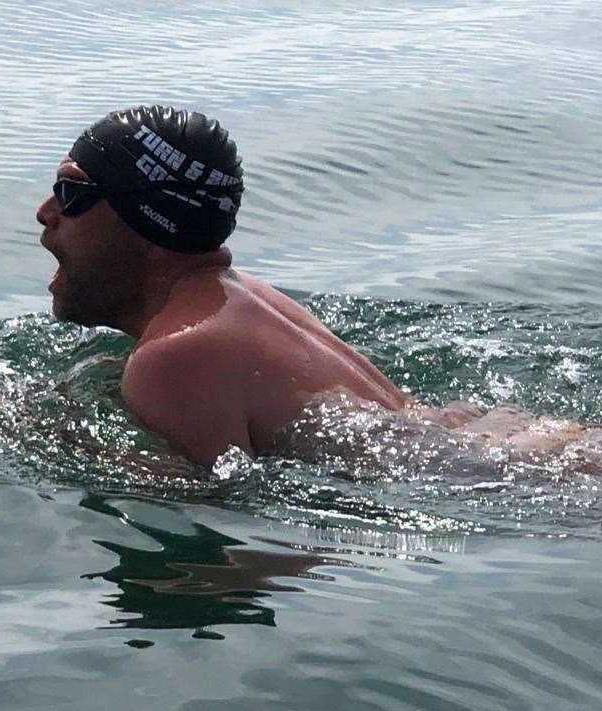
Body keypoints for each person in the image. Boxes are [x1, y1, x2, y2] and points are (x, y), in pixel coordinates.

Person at [36, 105, 410, 469]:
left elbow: (209, 500)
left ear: (145, 221)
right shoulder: (244, 298)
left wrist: (40, 433)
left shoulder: (173, 356)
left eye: (70, 191)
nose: (45, 211)